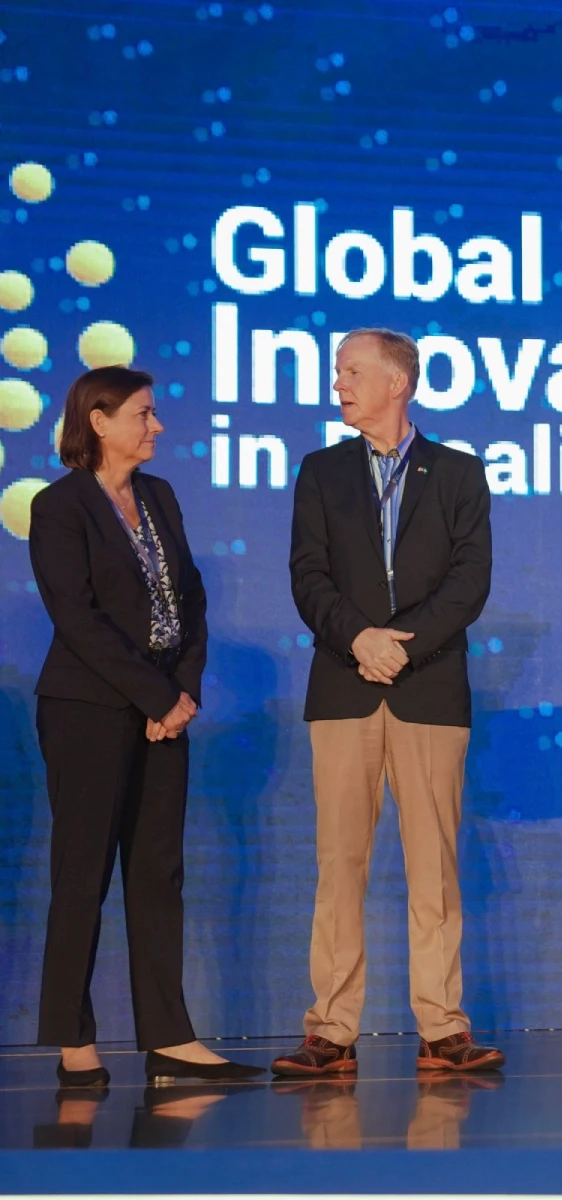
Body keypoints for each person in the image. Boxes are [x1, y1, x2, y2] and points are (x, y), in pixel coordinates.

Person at [275, 328, 501, 1077]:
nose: (338, 383)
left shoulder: (459, 473)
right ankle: (331, 1030)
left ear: (397, 382)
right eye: (338, 372)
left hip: (428, 689)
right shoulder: (320, 471)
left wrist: (402, 644)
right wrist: (359, 639)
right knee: (339, 864)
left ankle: (442, 1027)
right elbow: (308, 576)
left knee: (433, 866)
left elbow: (469, 582)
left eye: (351, 371)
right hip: (344, 687)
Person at [27, 366, 262, 1085]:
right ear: (99, 423)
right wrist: (156, 696)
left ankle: (169, 1036)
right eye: (143, 413)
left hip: (164, 711)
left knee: (159, 873)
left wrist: (180, 692)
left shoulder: (159, 495)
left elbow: (190, 600)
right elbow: (78, 619)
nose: (156, 425)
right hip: (88, 709)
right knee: (83, 872)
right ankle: (72, 1040)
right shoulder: (59, 506)